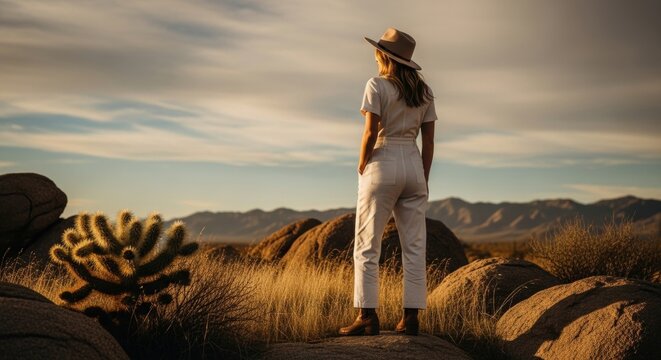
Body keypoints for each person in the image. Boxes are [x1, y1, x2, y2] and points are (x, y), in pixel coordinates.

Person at [339, 27, 437, 336]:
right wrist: (422, 176)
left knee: (368, 245)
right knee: (414, 246)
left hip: (382, 160)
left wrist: (361, 164)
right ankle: (410, 319)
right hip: (413, 163)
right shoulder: (425, 92)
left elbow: (371, 132)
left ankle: (367, 317)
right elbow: (430, 142)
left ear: (385, 56)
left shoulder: (377, 85)